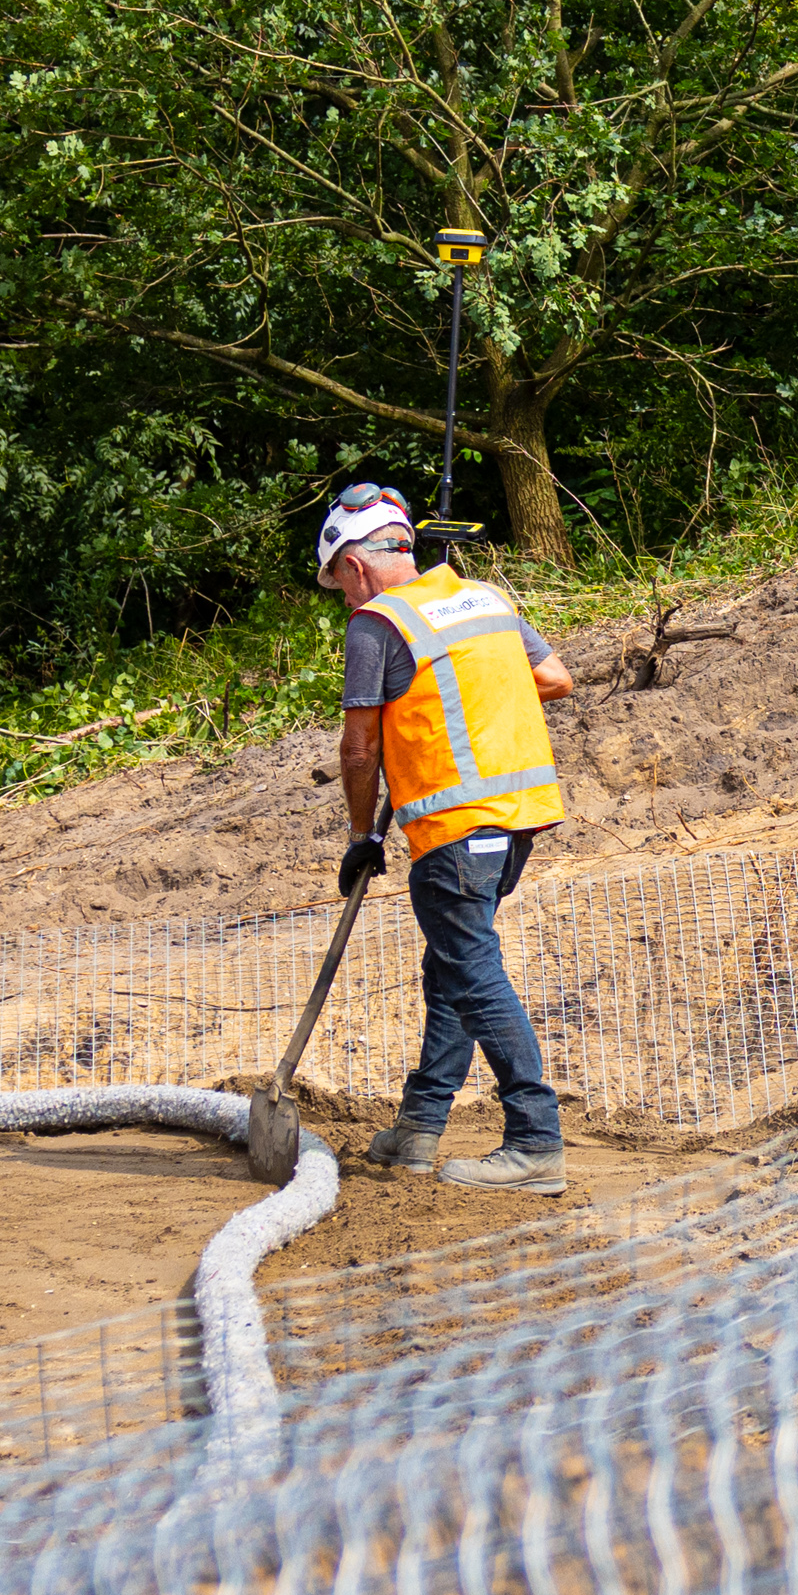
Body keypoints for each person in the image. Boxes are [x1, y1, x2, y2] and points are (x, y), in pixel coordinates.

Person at [315, 482, 582, 1191]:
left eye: (336, 581)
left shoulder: (377, 623)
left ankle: (535, 1139)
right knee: (451, 970)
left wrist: (359, 834)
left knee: (472, 971)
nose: (342, 596)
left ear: (355, 564)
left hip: (454, 830)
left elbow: (358, 750)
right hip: (517, 821)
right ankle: (420, 1128)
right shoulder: (485, 599)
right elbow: (553, 677)